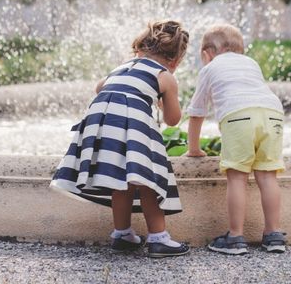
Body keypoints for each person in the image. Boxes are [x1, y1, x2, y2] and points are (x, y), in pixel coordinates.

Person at [50, 20, 190, 258]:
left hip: (100, 121)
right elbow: (173, 119)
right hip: (130, 121)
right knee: (148, 179)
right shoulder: (164, 75)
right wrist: (159, 100)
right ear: (175, 60)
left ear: (139, 49)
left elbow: (99, 88)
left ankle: (122, 234)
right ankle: (158, 238)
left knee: (120, 178)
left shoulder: (122, 67)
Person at [186, 24, 286, 255]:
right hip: (273, 113)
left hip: (238, 115)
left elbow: (196, 113)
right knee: (268, 176)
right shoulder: (251, 63)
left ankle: (235, 237)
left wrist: (194, 149)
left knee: (237, 178)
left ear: (206, 54)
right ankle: (273, 235)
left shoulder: (209, 68)